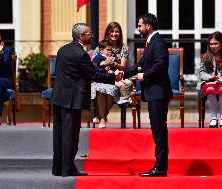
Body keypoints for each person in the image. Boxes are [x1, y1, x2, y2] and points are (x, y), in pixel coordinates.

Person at [51, 23, 123, 177]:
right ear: (81, 36)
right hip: (72, 99)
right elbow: (94, 75)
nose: (92, 36)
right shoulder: (81, 54)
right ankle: (68, 168)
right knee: (70, 135)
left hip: (58, 97)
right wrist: (113, 77)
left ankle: (58, 168)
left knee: (59, 135)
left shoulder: (63, 50)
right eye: (89, 34)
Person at [124, 13, 172, 177]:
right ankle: (160, 166)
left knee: (159, 131)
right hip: (154, 93)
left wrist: (145, 76)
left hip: (158, 92)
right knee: (156, 130)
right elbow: (140, 65)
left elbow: (161, 65)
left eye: (139, 25)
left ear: (148, 26)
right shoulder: (150, 42)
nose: (138, 28)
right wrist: (121, 72)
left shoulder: (157, 42)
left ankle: (160, 167)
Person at [91, 22, 132, 128]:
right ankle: (103, 118)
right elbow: (95, 65)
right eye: (112, 31)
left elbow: (123, 66)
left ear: (120, 33)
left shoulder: (124, 48)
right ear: (108, 33)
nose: (114, 34)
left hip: (117, 77)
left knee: (110, 90)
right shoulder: (100, 47)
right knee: (100, 89)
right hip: (101, 77)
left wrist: (113, 64)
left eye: (117, 31)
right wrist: (104, 65)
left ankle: (102, 117)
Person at [197, 31, 222, 128]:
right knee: (210, 89)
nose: (213, 46)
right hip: (208, 83)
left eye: (215, 43)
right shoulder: (205, 57)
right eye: (211, 44)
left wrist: (219, 80)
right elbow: (201, 73)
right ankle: (213, 118)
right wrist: (210, 78)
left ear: (221, 44)